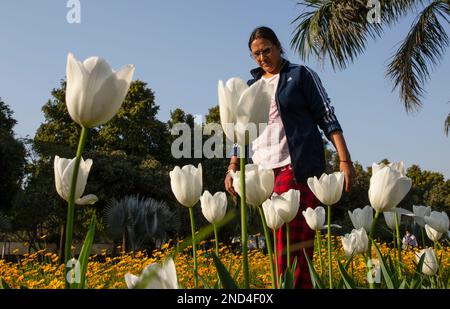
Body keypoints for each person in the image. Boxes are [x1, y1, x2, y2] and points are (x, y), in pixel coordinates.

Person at [224, 26, 355, 289]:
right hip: (261, 175)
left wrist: (345, 160)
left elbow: (326, 116)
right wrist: (232, 166)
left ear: (278, 46)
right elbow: (240, 131)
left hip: (294, 169)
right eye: (256, 54)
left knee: (293, 246)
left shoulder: (301, 75)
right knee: (277, 247)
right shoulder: (252, 87)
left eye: (266, 50)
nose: (262, 58)